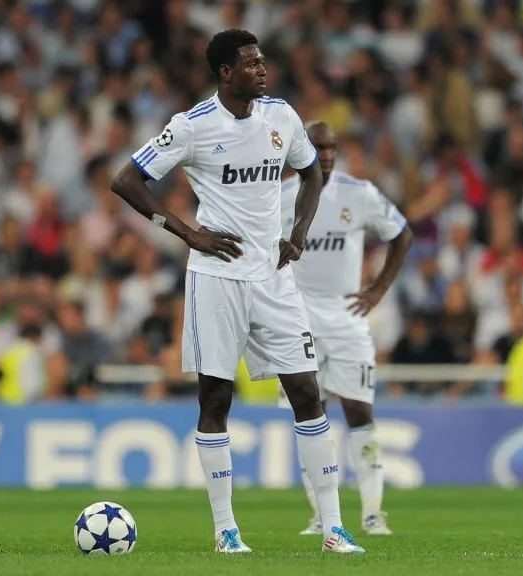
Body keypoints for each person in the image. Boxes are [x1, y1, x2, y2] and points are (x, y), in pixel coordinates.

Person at [110, 29, 364, 554]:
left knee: (307, 393)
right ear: (225, 72)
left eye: (262, 61)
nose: (262, 70)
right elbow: (126, 181)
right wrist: (188, 233)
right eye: (250, 63)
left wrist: (298, 235)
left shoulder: (282, 116)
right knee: (216, 399)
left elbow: (312, 174)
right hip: (217, 279)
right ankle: (226, 530)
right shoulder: (193, 125)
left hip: (274, 279)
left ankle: (334, 527)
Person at [277, 122, 413, 536]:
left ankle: (372, 512)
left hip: (347, 319)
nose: (327, 156)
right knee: (308, 413)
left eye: (332, 148)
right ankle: (321, 514)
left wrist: (378, 290)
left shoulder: (359, 193)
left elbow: (402, 234)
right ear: (301, 149)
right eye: (319, 147)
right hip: (297, 320)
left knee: (359, 411)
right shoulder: (279, 196)